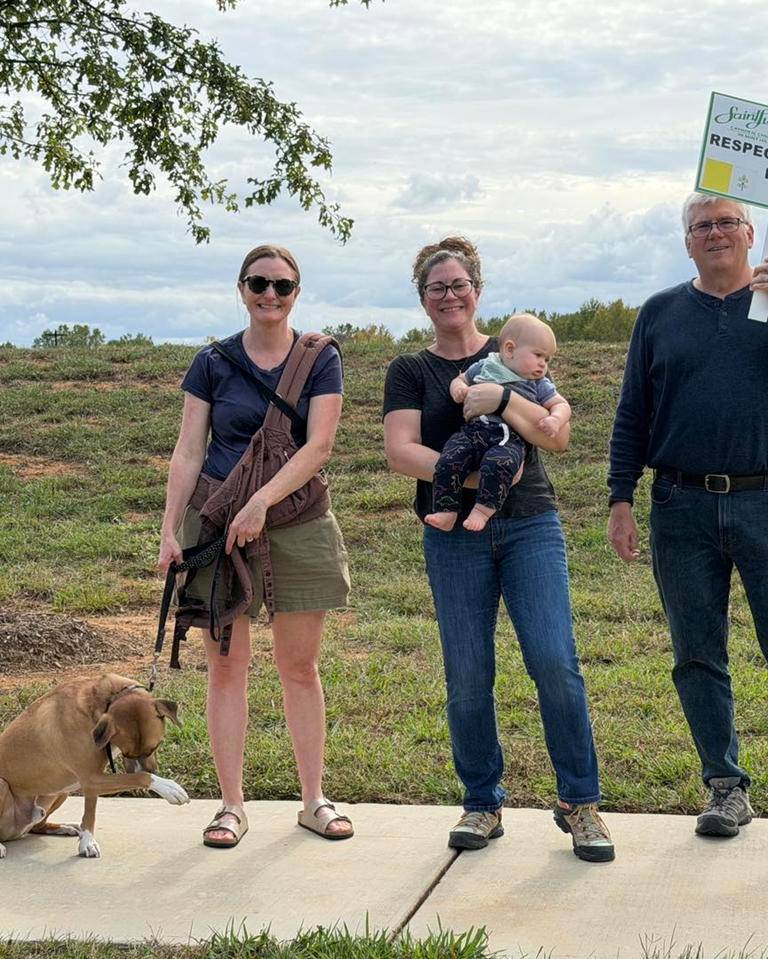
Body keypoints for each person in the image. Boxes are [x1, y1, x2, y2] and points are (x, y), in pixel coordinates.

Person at [383, 236, 614, 863]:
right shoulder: (411, 369)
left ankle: (580, 803)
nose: (450, 295)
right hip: (453, 534)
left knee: (554, 661)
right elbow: (400, 450)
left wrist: (507, 400)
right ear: (424, 299)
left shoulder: (515, 348)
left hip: (531, 526)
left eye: (460, 284)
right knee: (467, 674)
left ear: (477, 291)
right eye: (438, 287)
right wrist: (469, 479)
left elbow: (557, 433)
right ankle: (482, 802)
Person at [158, 244, 353, 847]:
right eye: (259, 283)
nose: (270, 295)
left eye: (283, 286)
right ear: (241, 288)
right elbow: (190, 448)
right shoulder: (211, 362)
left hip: (295, 518)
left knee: (299, 665)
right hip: (218, 523)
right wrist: (170, 528)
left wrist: (263, 501)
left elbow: (318, 447)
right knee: (226, 668)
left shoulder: (319, 358)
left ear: (298, 291)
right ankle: (231, 806)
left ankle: (314, 800)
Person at [608, 193, 768, 838]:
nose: (715, 233)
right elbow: (631, 414)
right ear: (687, 242)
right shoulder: (660, 313)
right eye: (701, 226)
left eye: (728, 222)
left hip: (764, 500)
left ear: (750, 232)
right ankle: (725, 787)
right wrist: (620, 498)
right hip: (681, 504)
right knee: (697, 652)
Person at [425, 312, 571, 532]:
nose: (543, 365)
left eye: (547, 359)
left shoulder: (537, 382)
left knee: (499, 465)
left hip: (508, 439)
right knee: (449, 458)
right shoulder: (486, 365)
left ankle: (483, 510)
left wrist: (555, 419)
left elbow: (561, 404)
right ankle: (447, 510)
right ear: (510, 349)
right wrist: (459, 389)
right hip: (473, 431)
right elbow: (460, 378)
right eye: (538, 355)